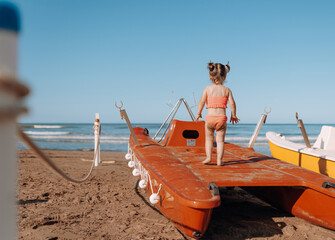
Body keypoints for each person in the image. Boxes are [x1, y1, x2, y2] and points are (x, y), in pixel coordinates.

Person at [196, 62, 240, 166]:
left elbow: (201, 102)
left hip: (210, 118)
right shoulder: (226, 90)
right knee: (220, 141)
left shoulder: (207, 89)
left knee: (209, 139)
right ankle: (219, 160)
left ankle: (208, 158)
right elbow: (232, 103)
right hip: (221, 118)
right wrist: (233, 115)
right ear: (224, 76)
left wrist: (199, 113)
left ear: (210, 75)